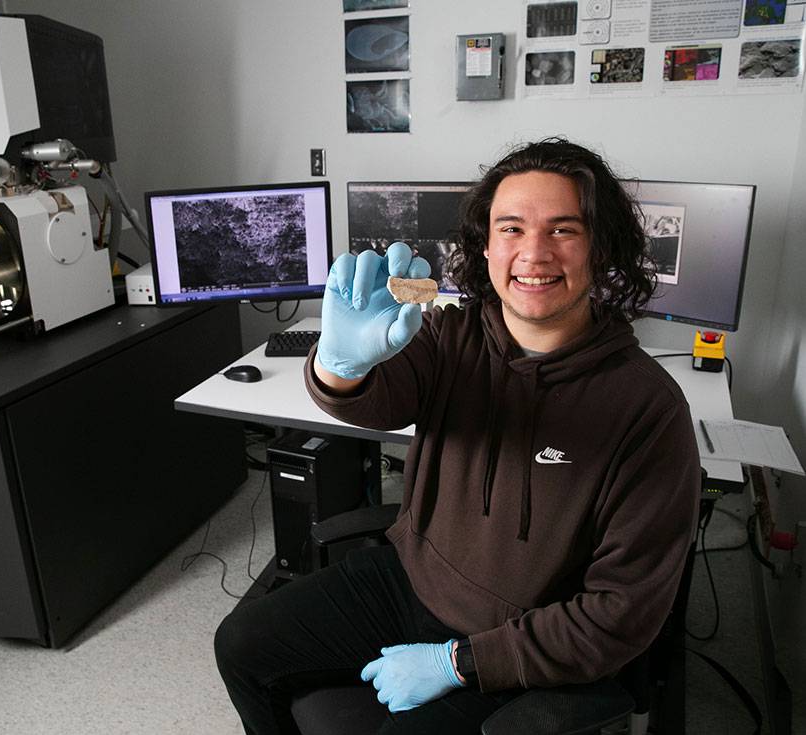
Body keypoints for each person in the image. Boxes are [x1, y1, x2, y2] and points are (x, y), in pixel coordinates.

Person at [214, 138, 700, 734]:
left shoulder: (647, 409)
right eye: (512, 228)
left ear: (601, 248)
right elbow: (374, 401)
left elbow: (620, 615)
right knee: (241, 644)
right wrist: (338, 365)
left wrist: (461, 662)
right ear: (486, 246)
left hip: (518, 637)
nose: (534, 253)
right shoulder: (450, 334)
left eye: (564, 230)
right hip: (410, 580)